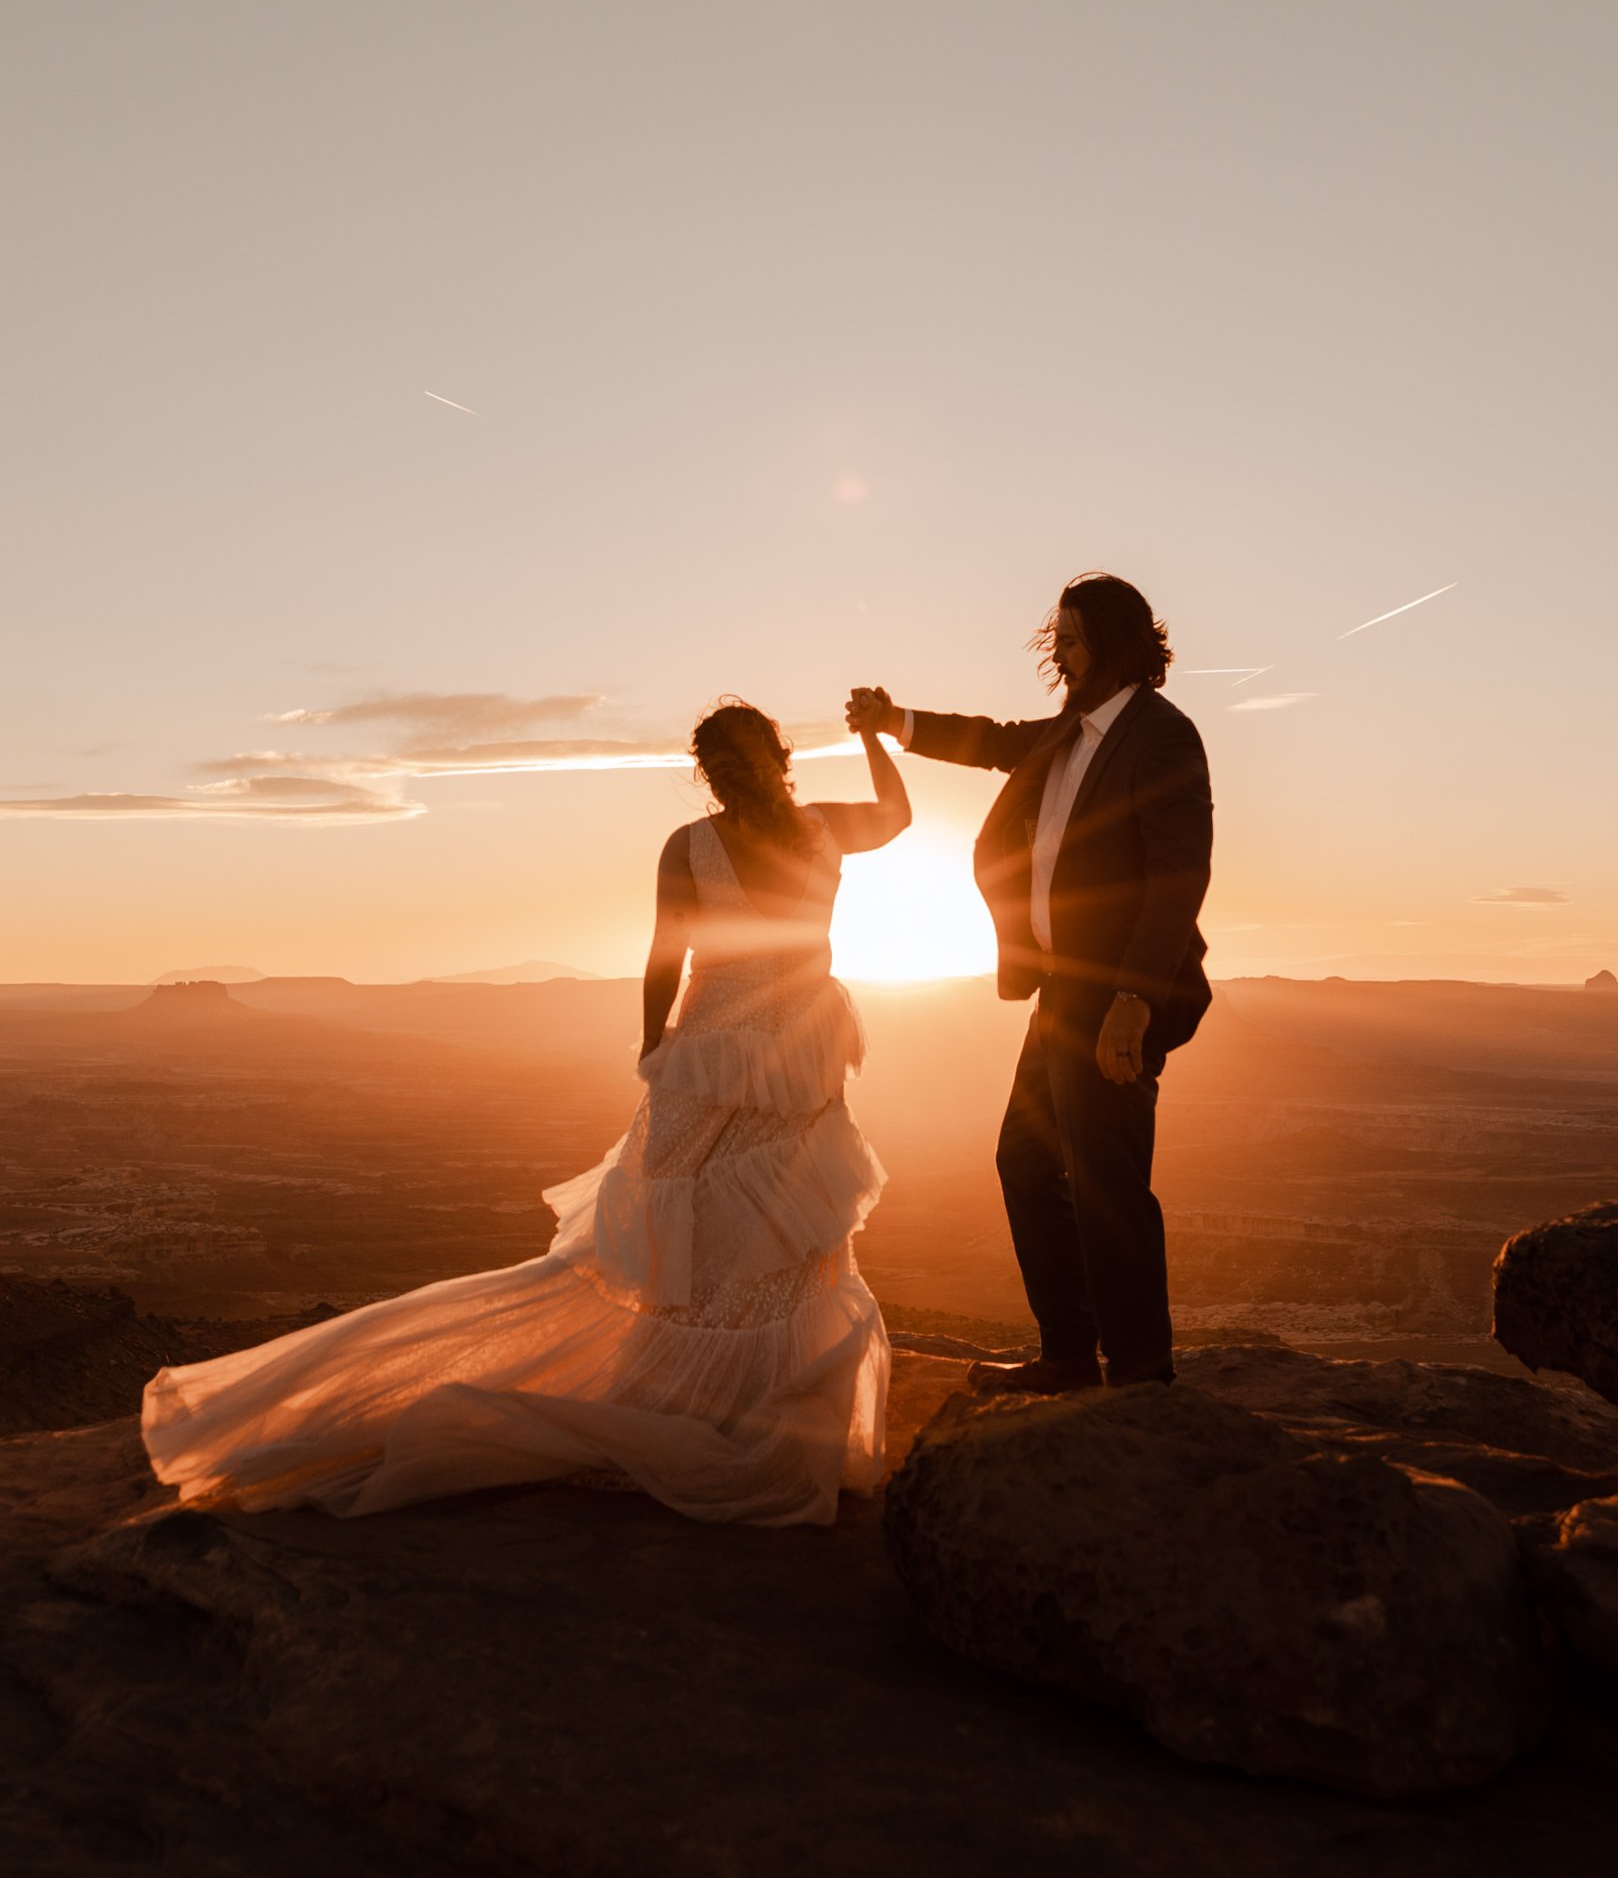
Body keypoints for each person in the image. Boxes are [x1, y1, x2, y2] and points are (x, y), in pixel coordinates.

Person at [141, 700, 910, 1525]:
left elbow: (664, 956)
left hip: (712, 1052)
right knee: (780, 1236)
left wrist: (654, 1050)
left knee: (678, 1234)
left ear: (708, 772)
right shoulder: (820, 826)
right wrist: (872, 734)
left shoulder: (691, 846)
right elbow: (896, 816)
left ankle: (690, 1399)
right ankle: (749, 1409)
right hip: (795, 1051)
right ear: (780, 757)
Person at [847, 572, 1211, 1394]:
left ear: (1118, 643)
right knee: (1025, 1161)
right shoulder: (1065, 733)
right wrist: (895, 722)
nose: (1060, 652)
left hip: (1112, 994)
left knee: (1105, 1181)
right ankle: (1070, 1354)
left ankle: (1140, 1373)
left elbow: (1177, 876)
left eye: (1073, 638)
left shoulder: (1160, 736)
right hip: (1060, 990)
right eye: (1058, 638)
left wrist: (1132, 1000)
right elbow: (990, 740)